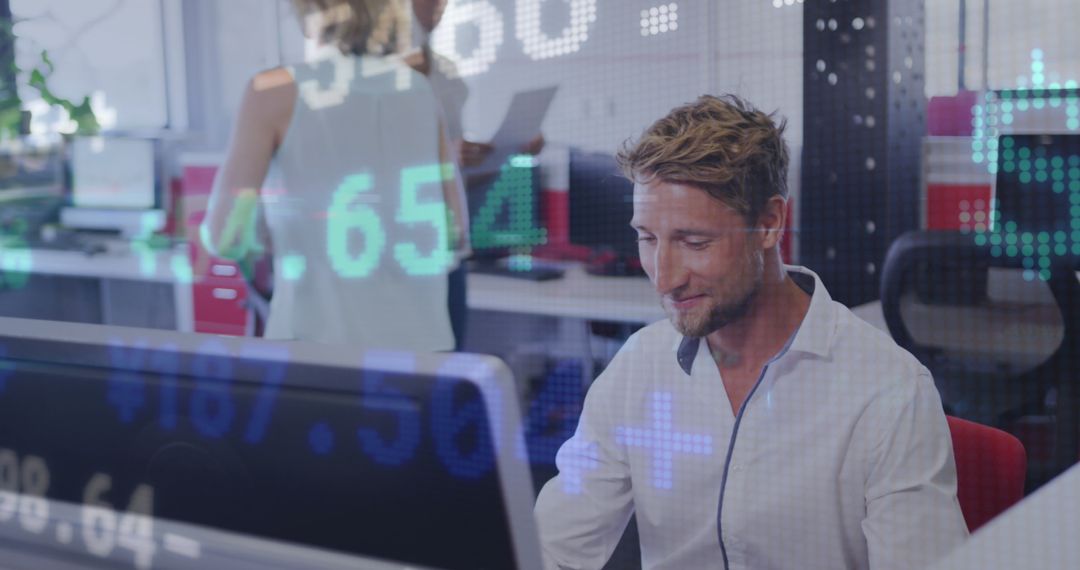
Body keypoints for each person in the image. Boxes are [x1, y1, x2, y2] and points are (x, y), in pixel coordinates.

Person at [533, 94, 969, 569]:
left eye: (694, 242)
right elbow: (553, 549)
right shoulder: (638, 369)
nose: (663, 278)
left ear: (768, 224)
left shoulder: (888, 391)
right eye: (647, 238)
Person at [201, 0, 467, 351]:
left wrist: (269, 226)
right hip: (422, 349)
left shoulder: (272, 89)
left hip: (316, 349)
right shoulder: (420, 91)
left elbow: (225, 237)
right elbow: (454, 232)